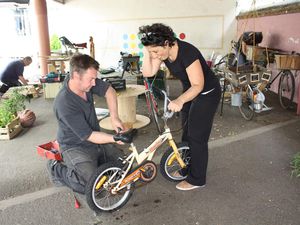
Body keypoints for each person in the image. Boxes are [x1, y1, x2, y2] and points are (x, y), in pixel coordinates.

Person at [138, 23, 221, 191]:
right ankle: (186, 167)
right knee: (186, 134)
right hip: (190, 92)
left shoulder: (187, 53)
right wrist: (147, 52)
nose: (155, 55)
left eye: (156, 51)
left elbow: (198, 85)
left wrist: (180, 100)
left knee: (197, 136)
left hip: (206, 93)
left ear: (167, 43)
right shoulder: (162, 52)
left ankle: (197, 179)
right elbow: (148, 73)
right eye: (151, 51)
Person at [49, 53, 127, 194]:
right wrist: (115, 138)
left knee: (124, 167)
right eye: (91, 79)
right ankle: (56, 169)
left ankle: (95, 166)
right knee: (91, 186)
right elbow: (89, 135)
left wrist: (114, 117)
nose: (94, 83)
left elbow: (110, 91)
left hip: (95, 141)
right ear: (76, 76)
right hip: (74, 145)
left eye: (95, 78)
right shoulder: (64, 103)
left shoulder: (87, 83)